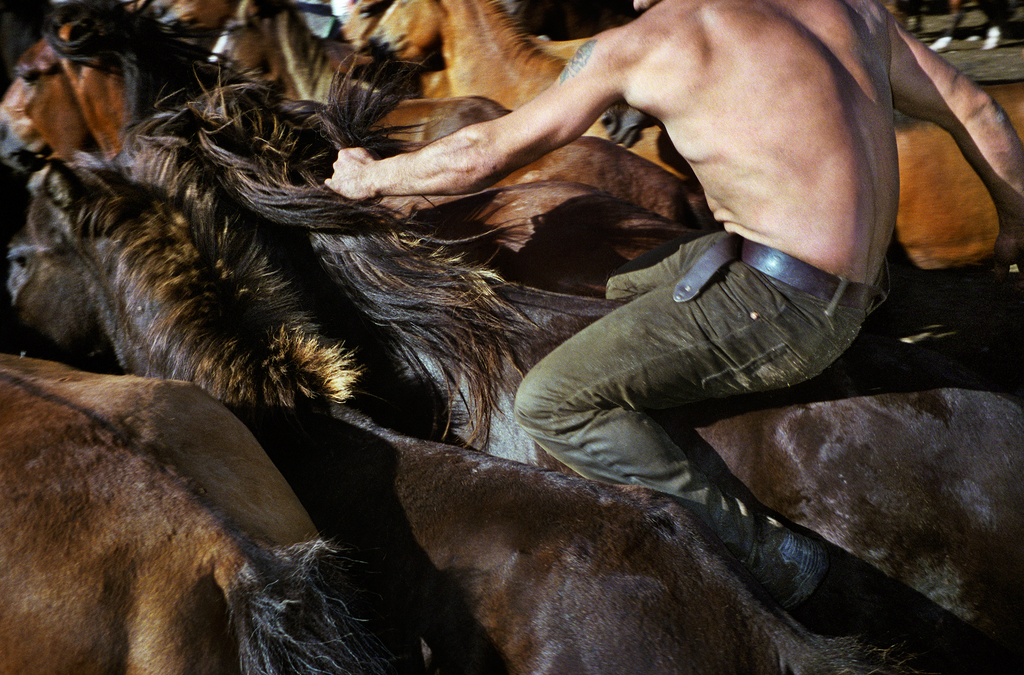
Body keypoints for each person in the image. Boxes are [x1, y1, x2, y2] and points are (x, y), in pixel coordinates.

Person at [326, 0, 1024, 609]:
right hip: (862, 281)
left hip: (786, 305)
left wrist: (372, 178)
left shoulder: (649, 42)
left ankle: (772, 557)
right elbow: (977, 108)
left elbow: (483, 153)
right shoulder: (852, 10)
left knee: (552, 401)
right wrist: (1016, 224)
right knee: (618, 283)